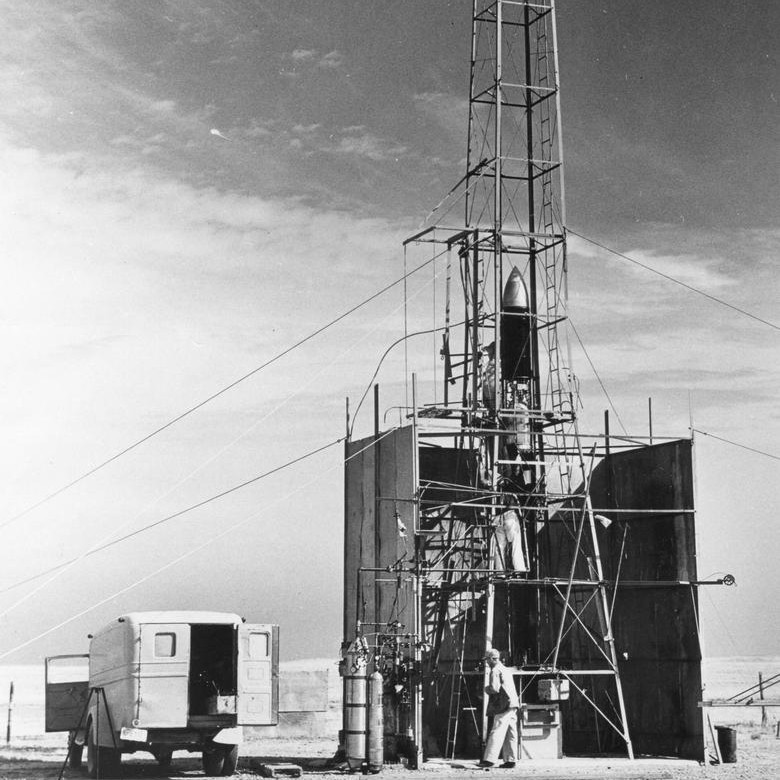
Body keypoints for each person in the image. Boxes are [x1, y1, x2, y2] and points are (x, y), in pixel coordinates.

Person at [478, 648, 519, 768]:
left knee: (497, 731)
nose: (486, 662)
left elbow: (494, 689)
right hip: (513, 704)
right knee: (511, 733)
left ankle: (489, 760)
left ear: (492, 659)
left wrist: (485, 689)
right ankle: (510, 760)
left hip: (504, 705)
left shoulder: (495, 671)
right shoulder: (505, 669)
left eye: (487, 660)